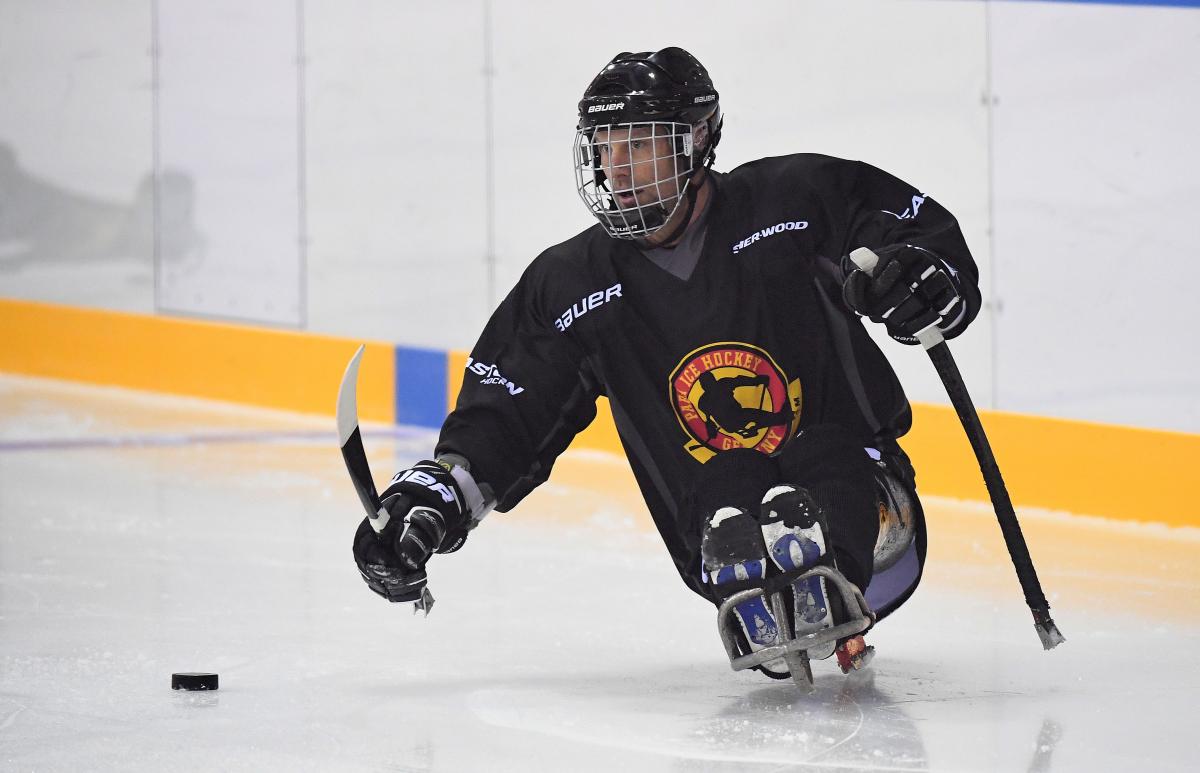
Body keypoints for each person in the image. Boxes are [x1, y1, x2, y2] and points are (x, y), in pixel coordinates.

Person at [353, 47, 980, 683]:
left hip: (875, 515)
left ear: (697, 139)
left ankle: (829, 574)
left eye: (639, 143)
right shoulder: (570, 285)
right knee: (726, 484)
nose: (616, 166)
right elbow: (507, 417)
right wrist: (434, 500)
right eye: (604, 144)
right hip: (718, 539)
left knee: (820, 458)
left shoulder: (795, 201)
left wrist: (924, 275)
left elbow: (914, 230)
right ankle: (766, 579)